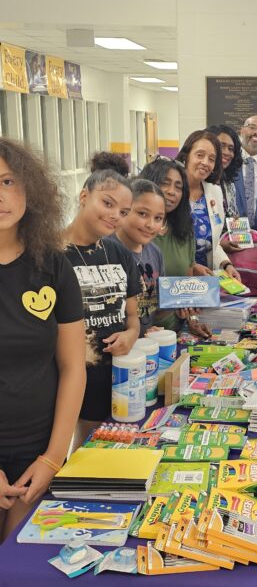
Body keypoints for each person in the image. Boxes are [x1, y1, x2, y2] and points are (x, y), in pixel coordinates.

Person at [0, 138, 86, 541]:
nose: (1, 196)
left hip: (39, 447)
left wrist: (53, 458)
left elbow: (72, 368)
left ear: (30, 188)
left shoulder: (52, 265)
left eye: (8, 181)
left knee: (20, 564)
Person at [64, 169, 142, 448]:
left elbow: (132, 317)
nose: (114, 216)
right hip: (59, 378)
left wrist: (131, 335)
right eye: (107, 203)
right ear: (84, 196)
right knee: (53, 457)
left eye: (123, 212)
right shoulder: (52, 253)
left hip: (106, 378)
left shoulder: (118, 253)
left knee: (86, 453)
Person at [139, 157, 210, 338]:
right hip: (140, 335)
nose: (172, 192)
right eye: (165, 184)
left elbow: (186, 287)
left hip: (173, 333)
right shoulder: (137, 232)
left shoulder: (184, 232)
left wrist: (192, 319)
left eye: (178, 187)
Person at [176, 130, 241, 281]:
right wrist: (191, 267)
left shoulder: (215, 193)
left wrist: (226, 265)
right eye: (199, 155)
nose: (205, 162)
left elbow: (212, 243)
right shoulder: (172, 191)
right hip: (176, 280)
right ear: (186, 156)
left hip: (207, 281)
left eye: (212, 159)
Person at [110, 178, 166, 336]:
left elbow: (154, 309)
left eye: (158, 218)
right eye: (142, 214)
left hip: (142, 351)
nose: (150, 225)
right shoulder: (105, 250)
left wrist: (182, 309)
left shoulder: (155, 253)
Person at [206, 124, 243, 219]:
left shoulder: (229, 185)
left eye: (231, 149)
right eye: (221, 146)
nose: (227, 152)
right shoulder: (198, 182)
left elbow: (234, 219)